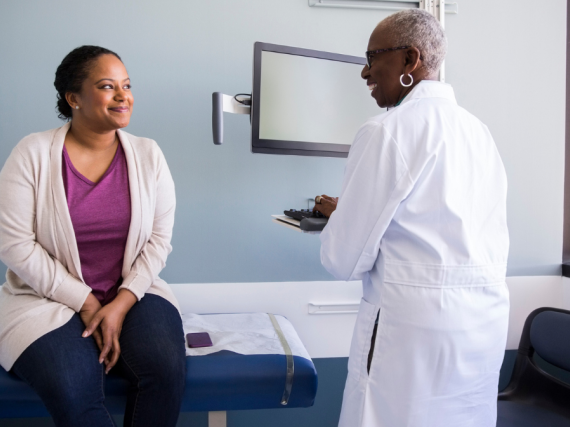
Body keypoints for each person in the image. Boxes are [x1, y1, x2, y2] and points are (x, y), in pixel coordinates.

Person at [314, 10, 509, 427]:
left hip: (410, 334)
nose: (365, 72)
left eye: (372, 57)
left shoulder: (386, 131)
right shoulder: (480, 133)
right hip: (481, 330)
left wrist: (341, 219)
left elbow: (342, 260)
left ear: (410, 60)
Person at [0, 46, 186, 427]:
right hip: (44, 298)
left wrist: (119, 304)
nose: (123, 96)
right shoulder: (32, 153)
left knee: (164, 370)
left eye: (127, 85)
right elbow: (14, 243)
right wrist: (84, 300)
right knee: (73, 384)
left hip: (135, 291)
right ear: (74, 98)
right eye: (107, 86)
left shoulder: (149, 155)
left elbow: (158, 241)